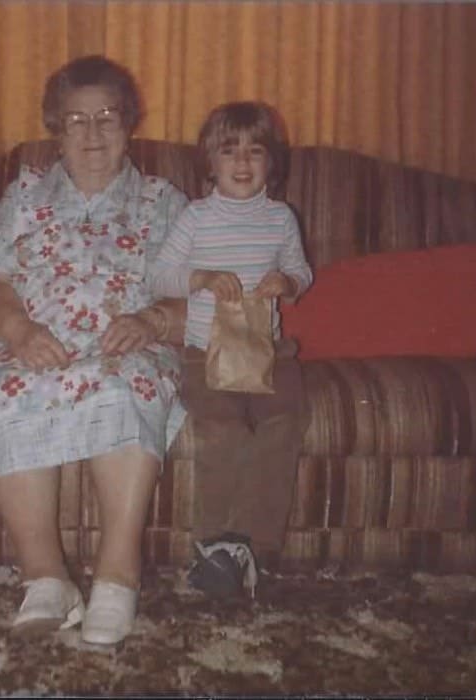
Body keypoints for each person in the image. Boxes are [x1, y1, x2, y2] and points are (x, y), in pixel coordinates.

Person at [0, 55, 188, 645]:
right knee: (7, 393)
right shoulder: (26, 193)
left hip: (126, 347)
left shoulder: (163, 201)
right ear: (55, 129)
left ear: (130, 123)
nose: (92, 134)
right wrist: (17, 331)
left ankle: (118, 580)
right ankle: (46, 580)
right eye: (76, 120)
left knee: (126, 387)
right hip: (36, 342)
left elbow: (209, 293)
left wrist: (153, 319)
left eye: (107, 117)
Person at [149, 101, 313, 598]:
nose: (242, 163)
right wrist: (200, 278)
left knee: (283, 422)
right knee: (222, 429)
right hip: (204, 352)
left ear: (271, 164)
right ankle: (213, 545)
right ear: (211, 164)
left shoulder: (281, 218)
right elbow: (159, 276)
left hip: (268, 351)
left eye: (255, 152)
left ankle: (254, 548)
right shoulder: (196, 218)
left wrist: (285, 281)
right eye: (229, 152)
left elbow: (303, 275)